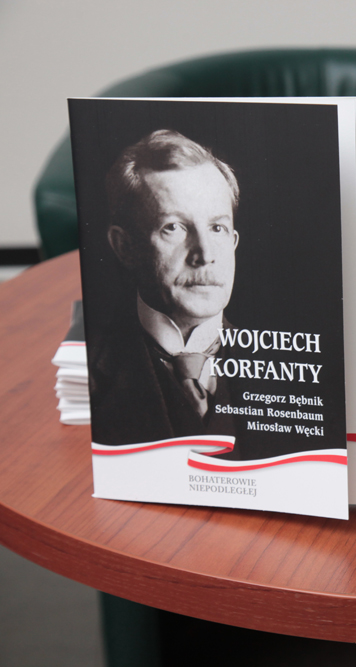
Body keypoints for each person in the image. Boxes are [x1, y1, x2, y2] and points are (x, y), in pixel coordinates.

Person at [89, 129, 241, 446]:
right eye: (173, 227)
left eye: (217, 228)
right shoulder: (88, 372)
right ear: (125, 247)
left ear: (234, 242)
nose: (205, 255)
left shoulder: (295, 368)